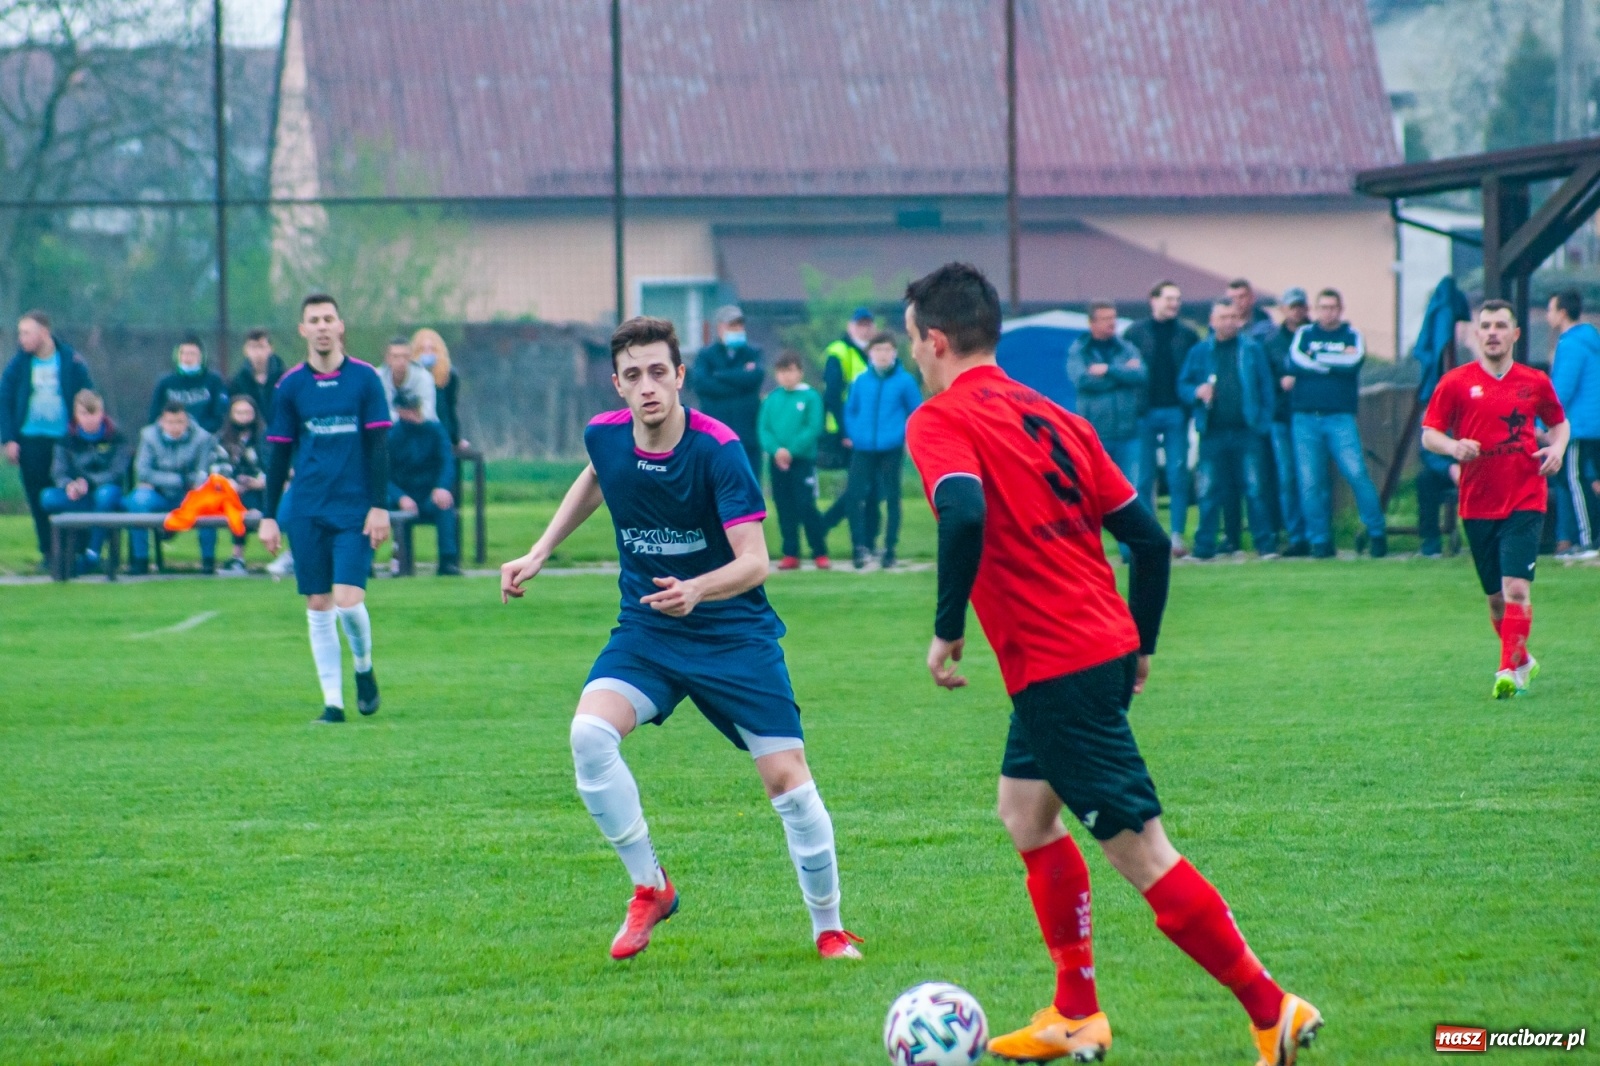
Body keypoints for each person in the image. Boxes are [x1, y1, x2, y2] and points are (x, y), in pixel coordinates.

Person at [902, 262, 1320, 1065]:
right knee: (1025, 813)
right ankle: (1076, 1013)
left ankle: (1272, 1008)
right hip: (1098, 649)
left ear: (937, 340)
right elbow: (1150, 541)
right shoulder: (1059, 417)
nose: (917, 353)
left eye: (916, 339)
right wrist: (1143, 643)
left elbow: (962, 512)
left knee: (1143, 850)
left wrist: (947, 627)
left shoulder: (940, 419)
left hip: (1058, 664)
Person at [499, 315, 862, 963]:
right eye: (633, 375)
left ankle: (829, 928)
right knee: (589, 736)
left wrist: (698, 589)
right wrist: (541, 549)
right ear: (617, 384)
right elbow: (596, 476)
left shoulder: (718, 449)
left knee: (789, 784)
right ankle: (650, 887)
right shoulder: (605, 436)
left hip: (733, 635)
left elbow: (756, 562)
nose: (647, 386)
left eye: (658, 372)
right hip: (649, 630)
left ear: (680, 376)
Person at [1423, 300, 1568, 698]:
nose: (1492, 333)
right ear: (1476, 334)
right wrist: (1454, 447)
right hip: (1478, 502)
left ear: (1515, 334)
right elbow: (1429, 434)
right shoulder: (1455, 382)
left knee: (1516, 587)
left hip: (1525, 496)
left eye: (1500, 326)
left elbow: (1559, 423)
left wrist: (1557, 449)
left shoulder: (1534, 381)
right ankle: (1523, 660)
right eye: (1485, 326)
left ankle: (1508, 671)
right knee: (1495, 601)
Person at [259, 294, 393, 724]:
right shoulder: (290, 386)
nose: (321, 326)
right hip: (308, 509)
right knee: (318, 604)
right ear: (303, 330)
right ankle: (333, 703)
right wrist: (268, 516)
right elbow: (279, 455)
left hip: (354, 509)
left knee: (348, 603)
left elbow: (378, 447)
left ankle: (363, 667)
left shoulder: (365, 379)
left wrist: (379, 507)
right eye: (313, 320)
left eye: (328, 318)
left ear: (340, 326)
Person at [1289, 289, 1388, 558]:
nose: (1328, 312)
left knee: (1356, 473)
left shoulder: (1352, 335)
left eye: (1333, 307)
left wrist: (1317, 361)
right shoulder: (1304, 334)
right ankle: (1320, 541)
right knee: (1310, 482)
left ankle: (1377, 532)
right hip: (1305, 419)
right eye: (1323, 307)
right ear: (1316, 309)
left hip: (1340, 418)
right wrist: (1334, 365)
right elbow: (1296, 360)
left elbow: (1353, 362)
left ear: (1341, 309)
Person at [1179, 300, 1279, 559]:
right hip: (1212, 431)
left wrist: (1262, 423)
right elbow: (1183, 385)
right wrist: (1196, 392)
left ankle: (1265, 545)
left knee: (1256, 489)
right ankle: (1204, 548)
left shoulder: (1252, 349)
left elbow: (1266, 389)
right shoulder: (1200, 351)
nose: (1229, 322)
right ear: (1212, 322)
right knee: (1208, 491)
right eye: (1223, 317)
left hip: (1247, 431)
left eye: (1233, 316)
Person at [1, 310, 95, 567]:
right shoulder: (19, 364)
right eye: (20, 333)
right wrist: (9, 439)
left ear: (44, 332)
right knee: (38, 497)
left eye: (26, 333)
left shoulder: (70, 360)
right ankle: (49, 552)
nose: (21, 338)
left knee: (68, 493)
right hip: (31, 442)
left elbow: (87, 395)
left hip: (64, 443)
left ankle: (76, 551)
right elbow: (4, 400)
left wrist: (83, 432)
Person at [1125, 281, 1201, 557]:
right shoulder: (1134, 333)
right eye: (1169, 298)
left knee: (1177, 475)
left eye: (1177, 299)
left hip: (1176, 412)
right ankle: (1151, 537)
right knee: (1143, 478)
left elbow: (1196, 369)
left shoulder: (1188, 334)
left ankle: (1177, 537)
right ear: (1153, 300)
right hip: (1143, 413)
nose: (1174, 304)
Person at [841, 332, 922, 569]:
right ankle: (859, 547)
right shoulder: (861, 381)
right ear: (870, 353)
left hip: (891, 447)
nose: (882, 355)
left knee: (892, 497)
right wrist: (855, 434)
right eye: (878, 350)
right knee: (854, 495)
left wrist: (904, 437)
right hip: (863, 447)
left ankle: (890, 548)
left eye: (887, 350)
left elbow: (916, 412)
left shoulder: (904, 381)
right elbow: (851, 410)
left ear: (894, 353)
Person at [42, 389, 130, 569]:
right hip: (79, 496)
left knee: (106, 495)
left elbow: (117, 472)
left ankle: (92, 554)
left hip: (106, 493)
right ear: (76, 414)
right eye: (83, 414)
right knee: (48, 497)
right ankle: (65, 555)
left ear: (101, 412)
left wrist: (89, 483)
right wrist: (70, 486)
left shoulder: (116, 436)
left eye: (93, 413)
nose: (89, 419)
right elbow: (58, 472)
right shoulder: (66, 438)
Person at [758, 350, 830, 570]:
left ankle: (819, 551)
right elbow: (764, 429)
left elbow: (813, 427)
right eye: (782, 372)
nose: (786, 376)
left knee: (806, 505)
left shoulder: (810, 397)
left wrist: (791, 450)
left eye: (790, 371)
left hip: (802, 461)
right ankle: (791, 552)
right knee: (783, 506)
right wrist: (776, 450)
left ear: (800, 372)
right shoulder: (772, 399)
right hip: (777, 462)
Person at [128, 402, 216, 574]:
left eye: (179, 422)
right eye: (170, 422)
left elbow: (202, 474)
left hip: (189, 495)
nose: (175, 427)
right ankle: (140, 561)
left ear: (187, 421)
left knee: (208, 503)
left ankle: (208, 563)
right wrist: (179, 479)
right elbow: (143, 472)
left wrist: (166, 480)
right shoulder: (148, 436)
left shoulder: (202, 438)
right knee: (138, 500)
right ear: (162, 422)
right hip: (158, 494)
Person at [1066, 300, 1146, 485]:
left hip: (1128, 434)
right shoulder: (1080, 351)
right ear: (1092, 323)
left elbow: (1140, 375)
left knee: (1130, 488)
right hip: (1096, 435)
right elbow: (1083, 381)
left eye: (1113, 318)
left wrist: (1108, 370)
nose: (1111, 323)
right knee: (1097, 488)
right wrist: (1122, 376)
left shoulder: (1127, 348)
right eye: (1105, 319)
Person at [820, 307, 881, 539]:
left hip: (870, 429)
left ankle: (863, 538)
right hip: (847, 430)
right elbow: (832, 395)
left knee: (870, 486)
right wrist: (845, 431)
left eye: (868, 325)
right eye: (860, 324)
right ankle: (826, 525)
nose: (864, 329)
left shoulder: (876, 352)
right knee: (863, 486)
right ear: (850, 326)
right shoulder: (839, 351)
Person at [1546, 290, 1600, 557]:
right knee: (1584, 481)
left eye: (1550, 310)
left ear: (1562, 313)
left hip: (1578, 426)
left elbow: (1561, 391)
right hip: (1593, 424)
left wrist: (1542, 422)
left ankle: (1587, 541)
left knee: (1574, 479)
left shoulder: (1570, 344)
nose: (1548, 316)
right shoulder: (1591, 340)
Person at [387, 389, 461, 576]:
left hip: (429, 493)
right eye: (409, 409)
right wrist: (400, 497)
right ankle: (395, 564)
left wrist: (441, 487)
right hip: (403, 494)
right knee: (377, 509)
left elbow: (447, 463)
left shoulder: (435, 431)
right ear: (400, 411)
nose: (414, 412)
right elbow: (383, 475)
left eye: (415, 408)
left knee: (444, 505)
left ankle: (448, 561)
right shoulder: (392, 435)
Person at [1261, 288, 1312, 556]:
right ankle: (1296, 535)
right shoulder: (1272, 342)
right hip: (1282, 417)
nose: (1297, 311)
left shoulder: (1315, 336)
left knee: (1311, 479)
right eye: (1292, 306)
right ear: (1283, 309)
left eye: (1300, 306)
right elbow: (1264, 380)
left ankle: (1316, 534)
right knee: (1288, 479)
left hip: (1310, 414)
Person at [690, 305, 765, 477]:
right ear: (720, 328)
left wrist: (720, 375)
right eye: (732, 325)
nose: (737, 329)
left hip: (747, 434)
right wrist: (740, 378)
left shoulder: (753, 353)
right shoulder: (706, 355)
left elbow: (755, 378)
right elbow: (701, 385)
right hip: (715, 432)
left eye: (740, 325)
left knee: (749, 480)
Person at [209, 394, 268, 574]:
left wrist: (260, 482)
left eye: (247, 412)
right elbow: (217, 467)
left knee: (252, 499)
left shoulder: (265, 438)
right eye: (239, 412)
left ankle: (238, 557)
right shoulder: (221, 438)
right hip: (230, 490)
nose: (243, 417)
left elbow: (272, 465)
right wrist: (232, 483)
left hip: (262, 489)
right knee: (235, 502)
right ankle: (237, 558)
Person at [149, 335, 229, 434]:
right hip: (171, 437)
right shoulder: (165, 382)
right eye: (183, 353)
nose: (187, 357)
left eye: (192, 353)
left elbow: (220, 415)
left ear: (201, 356)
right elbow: (154, 415)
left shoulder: (214, 381)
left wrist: (200, 433)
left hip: (206, 436)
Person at [411, 328, 468, 450]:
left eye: (432, 349)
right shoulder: (411, 376)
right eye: (423, 349)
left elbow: (450, 408)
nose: (427, 353)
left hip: (442, 431)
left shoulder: (449, 375)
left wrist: (455, 439)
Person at [228, 328, 285, 426]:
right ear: (245, 350)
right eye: (253, 347)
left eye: (261, 347)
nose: (257, 352)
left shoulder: (285, 378)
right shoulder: (237, 382)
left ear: (271, 348)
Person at [379, 335, 437, 423]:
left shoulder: (423, 377)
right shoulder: (378, 377)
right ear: (388, 359)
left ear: (411, 357)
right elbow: (378, 412)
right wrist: (402, 416)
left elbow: (428, 413)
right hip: (389, 426)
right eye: (396, 356)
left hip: (420, 426)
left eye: (405, 356)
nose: (401, 361)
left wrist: (412, 416)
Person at [1415, 445, 1459, 558]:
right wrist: (1449, 468)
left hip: (1477, 466)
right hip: (1447, 469)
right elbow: (1427, 451)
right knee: (1425, 478)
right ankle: (1431, 541)